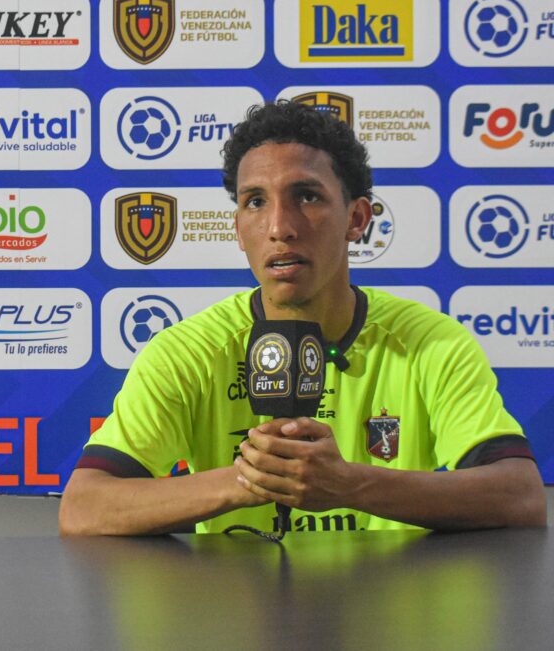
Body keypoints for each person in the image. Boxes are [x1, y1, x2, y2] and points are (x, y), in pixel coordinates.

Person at [60, 100, 546, 536]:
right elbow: (84, 508)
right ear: (239, 230)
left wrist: (351, 484)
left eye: (307, 196)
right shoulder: (188, 352)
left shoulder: (431, 342)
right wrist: (252, 478)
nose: (279, 227)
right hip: (235, 606)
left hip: (389, 604)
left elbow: (520, 495)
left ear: (357, 219)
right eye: (255, 202)